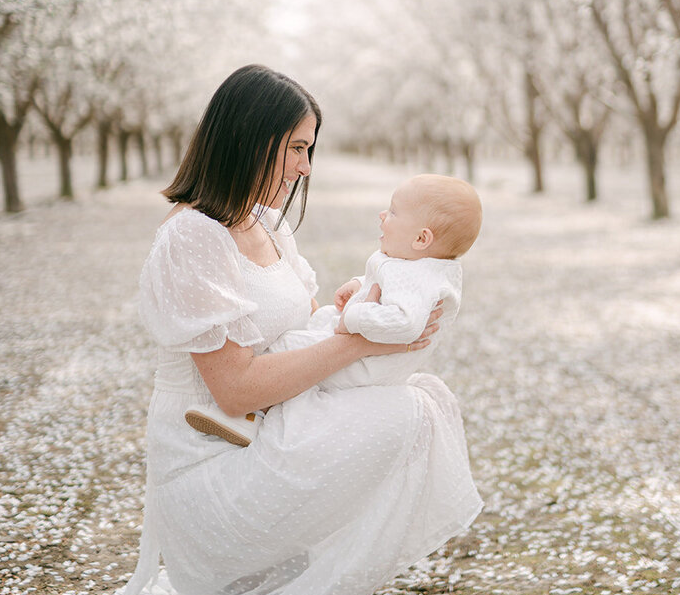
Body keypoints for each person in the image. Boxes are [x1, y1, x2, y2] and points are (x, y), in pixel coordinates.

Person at [116, 65, 482, 595]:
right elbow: (234, 390)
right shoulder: (193, 236)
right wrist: (364, 338)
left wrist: (354, 307)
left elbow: (301, 329)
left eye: (308, 150)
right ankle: (237, 563)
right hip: (211, 464)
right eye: (294, 148)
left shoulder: (265, 224)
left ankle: (292, 556)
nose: (305, 168)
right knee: (409, 411)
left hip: (268, 429)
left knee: (421, 397)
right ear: (246, 136)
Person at [185, 174, 482, 445]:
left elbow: (404, 323)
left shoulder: (421, 278)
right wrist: (359, 285)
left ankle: (252, 416)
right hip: (367, 351)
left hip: (369, 364)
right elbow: (388, 281)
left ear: (421, 238)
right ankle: (263, 412)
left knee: (292, 347)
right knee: (319, 323)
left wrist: (352, 319)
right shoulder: (420, 264)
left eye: (393, 212)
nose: (382, 215)